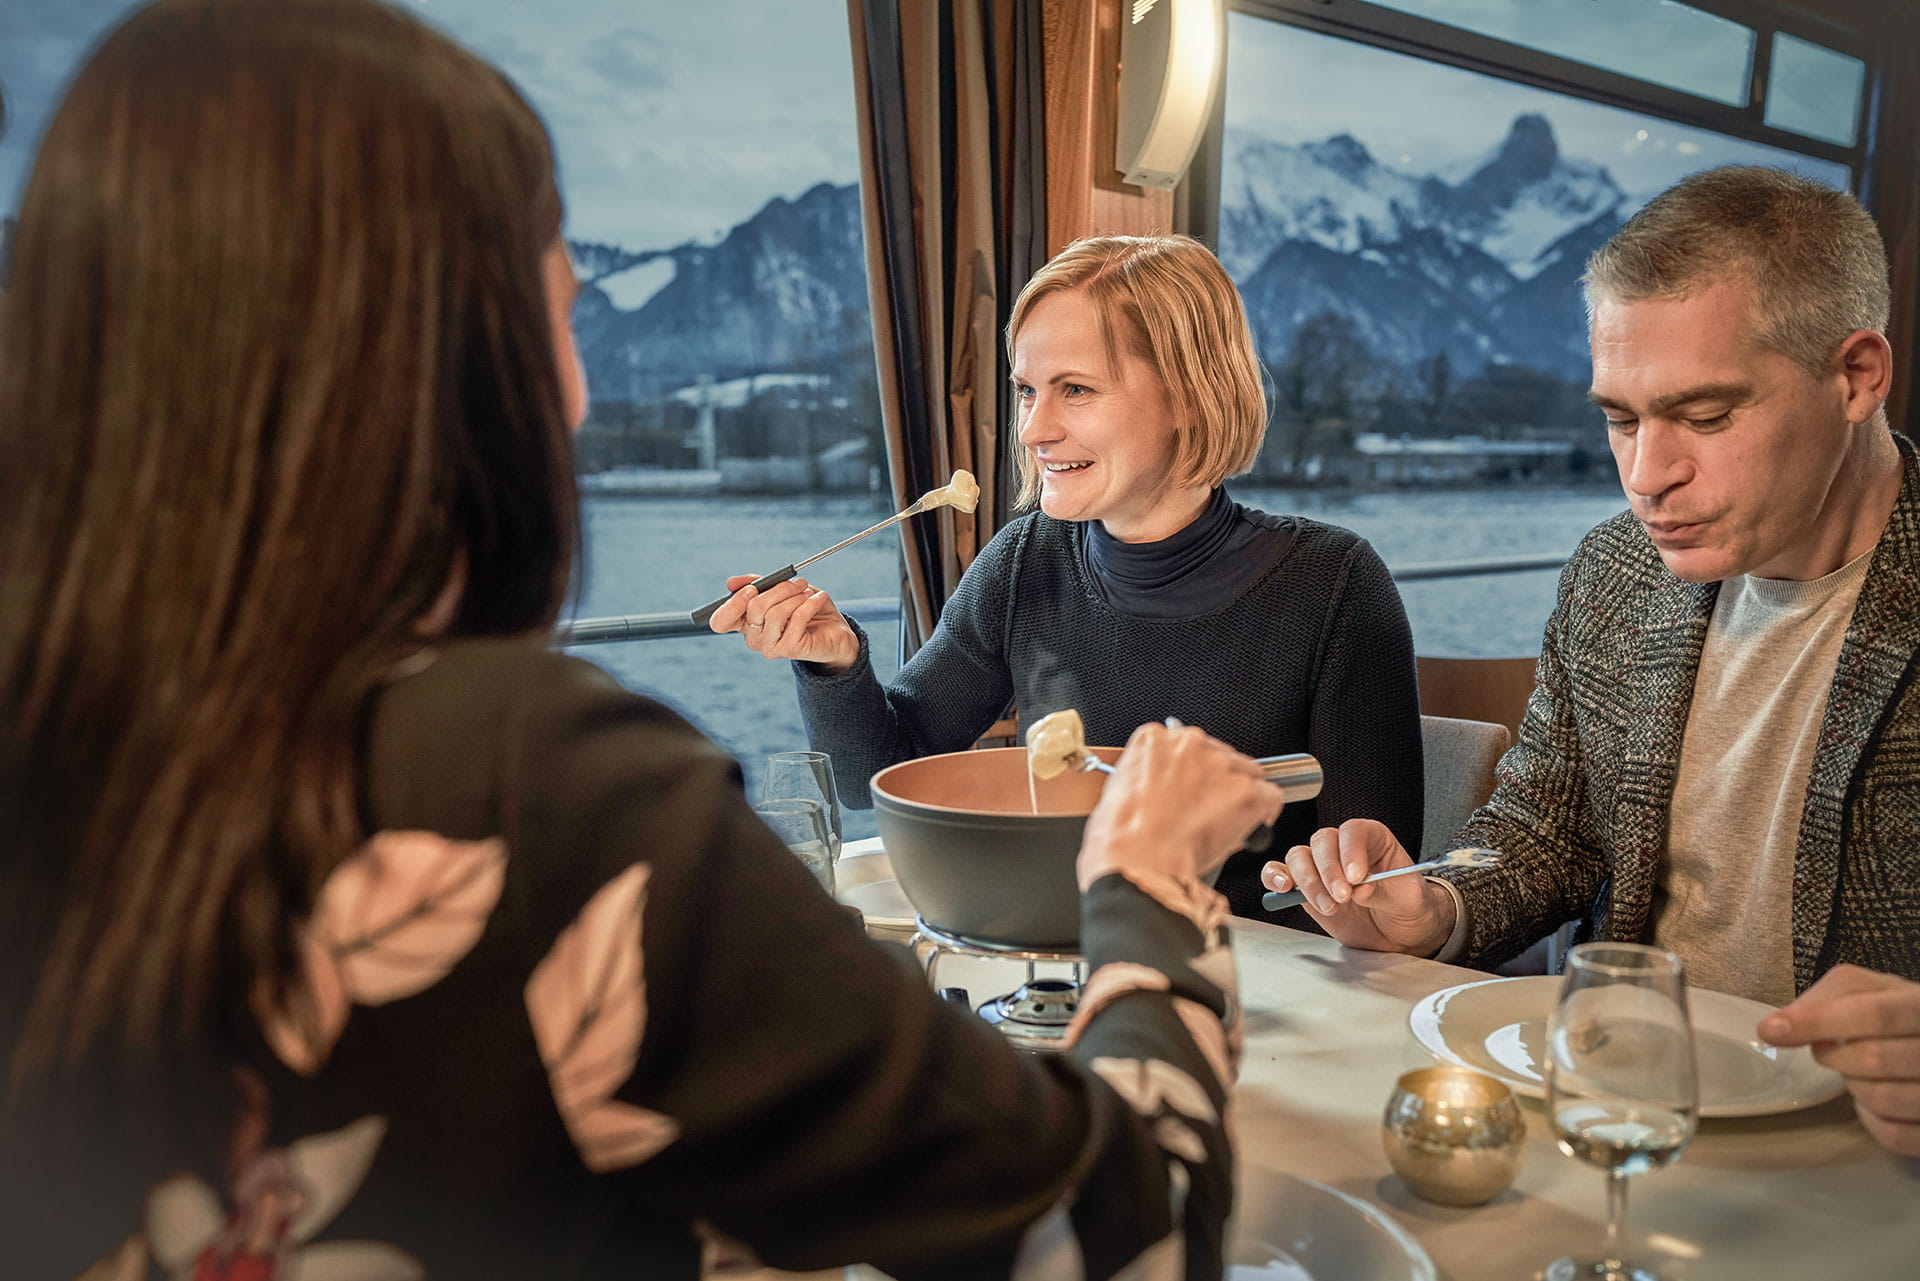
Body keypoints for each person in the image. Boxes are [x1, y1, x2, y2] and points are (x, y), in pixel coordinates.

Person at [0, 2, 1289, 1276]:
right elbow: (1123, 1232)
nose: (576, 394)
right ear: (436, 358)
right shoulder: (536, 789)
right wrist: (1148, 882)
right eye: (558, 317)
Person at [1261, 165, 1920, 1157]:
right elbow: (1545, 834)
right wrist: (1434, 905)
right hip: (1616, 1117)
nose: (1647, 475)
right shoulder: (1616, 571)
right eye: (1620, 418)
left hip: (1867, 1160)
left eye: (1706, 416)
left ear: (1857, 376)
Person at [709, 233, 1424, 922]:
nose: (1032, 430)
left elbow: (1376, 888)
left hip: (1254, 979)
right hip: (1052, 958)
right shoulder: (1025, 560)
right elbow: (883, 766)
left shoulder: (1335, 586)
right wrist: (833, 662)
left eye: (1075, 389)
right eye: (1027, 390)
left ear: (1189, 395)